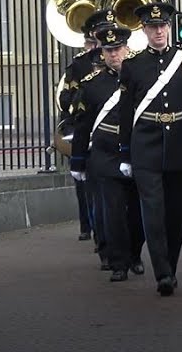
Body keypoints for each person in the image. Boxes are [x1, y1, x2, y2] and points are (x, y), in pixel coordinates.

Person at [118, 2, 182, 297]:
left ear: (169, 27)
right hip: (146, 143)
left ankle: (172, 265)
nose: (159, 31)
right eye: (153, 27)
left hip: (179, 141)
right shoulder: (132, 66)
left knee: (177, 213)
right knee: (153, 211)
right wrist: (125, 153)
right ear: (144, 30)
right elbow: (126, 111)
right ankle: (163, 273)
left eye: (163, 26)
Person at [70, 24, 145, 282]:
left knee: (137, 211)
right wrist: (78, 161)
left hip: (135, 150)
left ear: (127, 48)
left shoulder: (141, 78)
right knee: (112, 211)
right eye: (109, 50)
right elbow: (82, 125)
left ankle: (135, 254)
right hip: (105, 153)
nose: (114, 55)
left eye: (118, 49)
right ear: (102, 53)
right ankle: (118, 262)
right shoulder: (92, 85)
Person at [57, 9, 112, 243]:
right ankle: (90, 227)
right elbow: (65, 99)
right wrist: (82, 101)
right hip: (86, 129)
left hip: (113, 132)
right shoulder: (80, 64)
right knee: (87, 187)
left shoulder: (125, 59)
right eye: (101, 32)